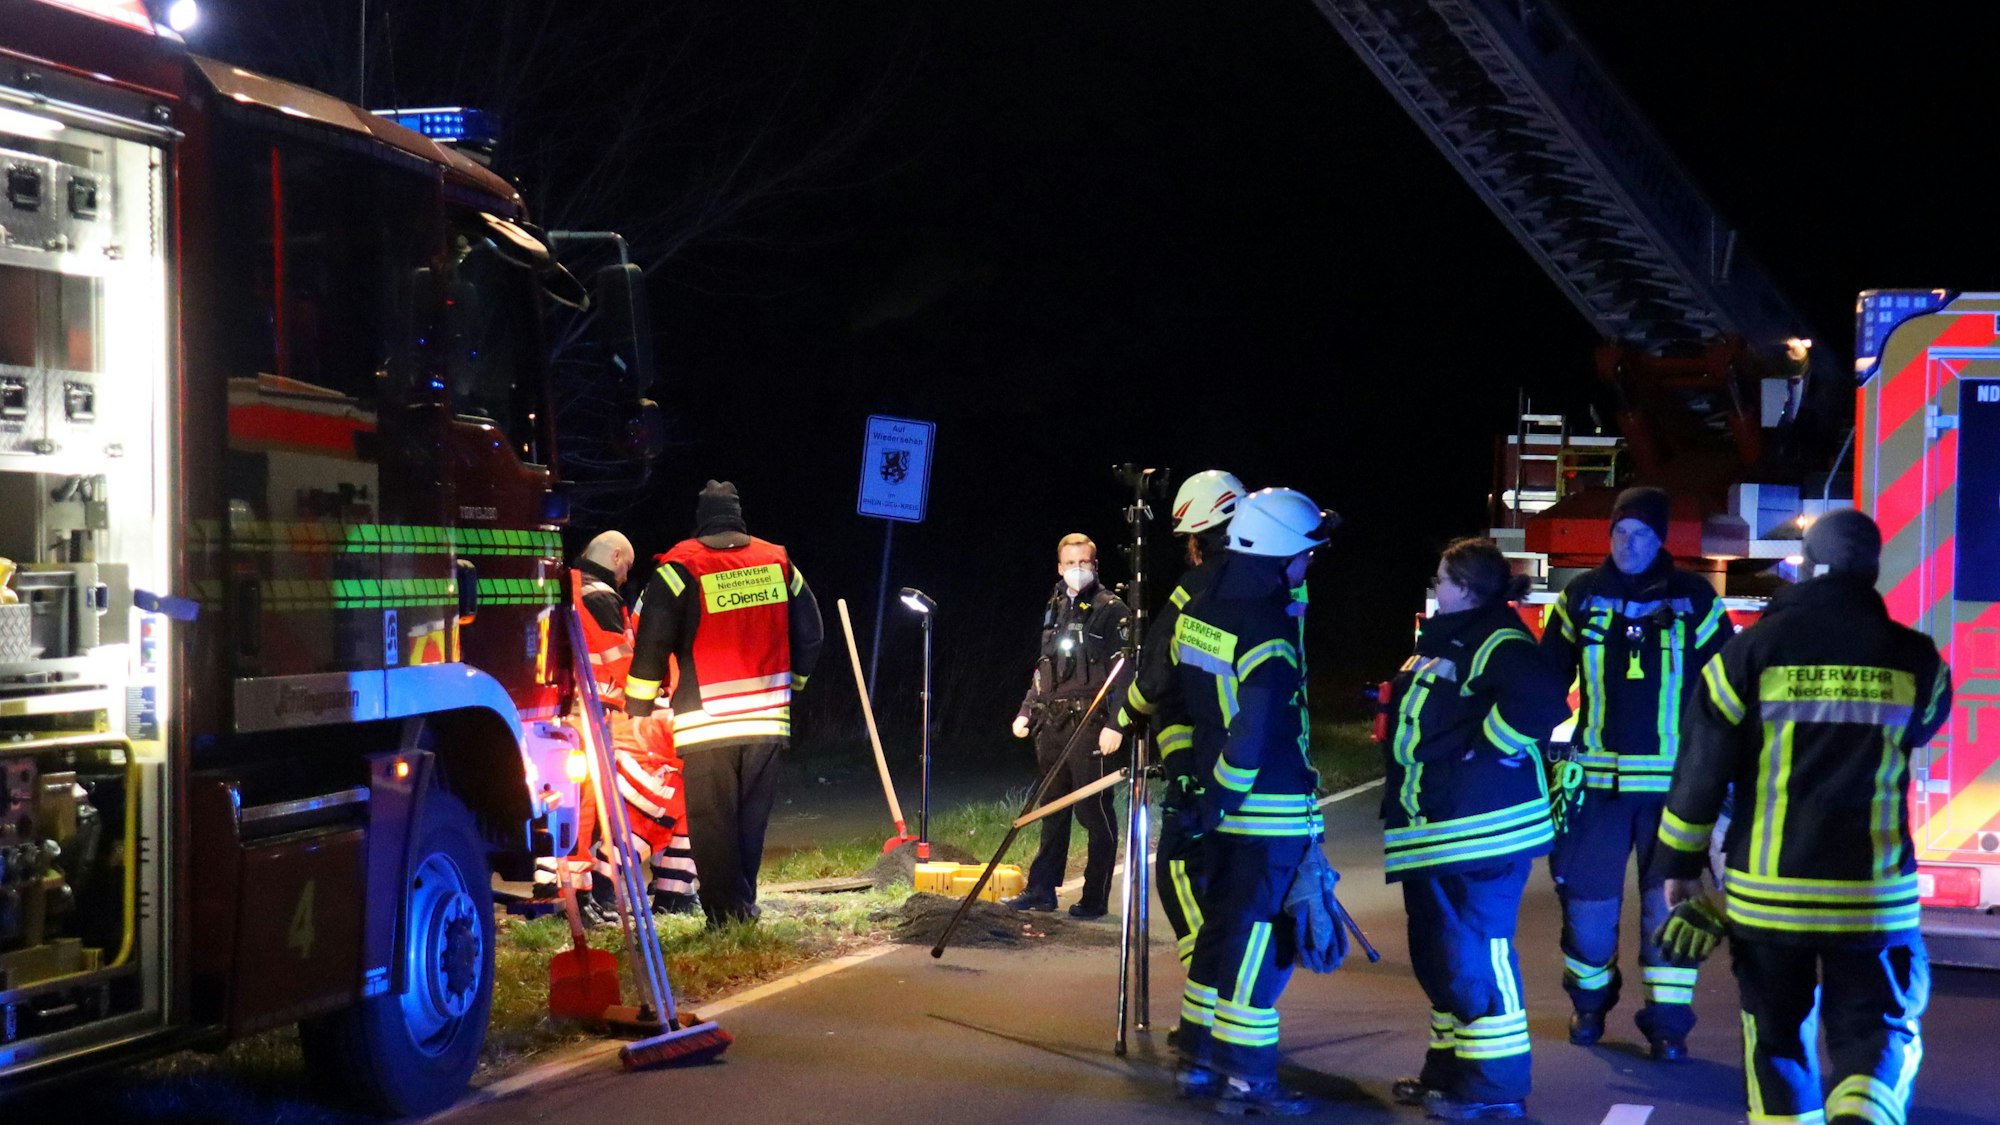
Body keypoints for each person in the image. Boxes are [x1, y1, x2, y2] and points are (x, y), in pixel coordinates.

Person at [1650, 509, 1951, 1125]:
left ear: (1805, 569)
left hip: (1768, 895)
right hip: (1872, 895)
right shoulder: (1918, 659)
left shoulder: (1748, 653)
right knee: (1879, 1030)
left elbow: (1701, 769)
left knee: (1776, 1036)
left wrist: (1680, 866)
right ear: (1871, 571)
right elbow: (1924, 726)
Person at [1539, 486, 1731, 1059]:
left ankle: (1668, 1027)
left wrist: (1724, 775)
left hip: (1674, 792)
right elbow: (1546, 685)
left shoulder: (1695, 599)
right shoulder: (1580, 598)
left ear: (1660, 538)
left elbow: (1725, 689)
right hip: (1595, 790)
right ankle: (1589, 1007)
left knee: (1667, 912)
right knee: (1587, 909)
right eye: (1619, 533)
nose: (1627, 543)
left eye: (1639, 534)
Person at [1382, 538, 1570, 1121]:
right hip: (1432, 830)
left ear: (1464, 585)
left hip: (1482, 833)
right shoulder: (1450, 636)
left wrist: (1489, 748)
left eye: (1442, 576)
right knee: (1439, 955)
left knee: (1477, 955)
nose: (1435, 585)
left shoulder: (1501, 640)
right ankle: (1450, 1071)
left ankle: (1496, 1088)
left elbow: (1541, 704)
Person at [1172, 487, 1328, 1116]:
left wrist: (1209, 802)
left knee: (1221, 930)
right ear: (1280, 554)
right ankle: (1249, 1079)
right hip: (1266, 809)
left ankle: (1198, 1061)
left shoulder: (1201, 604)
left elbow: (1186, 698)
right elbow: (1258, 726)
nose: (1310, 565)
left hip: (1218, 806)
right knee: (1262, 941)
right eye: (1306, 554)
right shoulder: (1270, 624)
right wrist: (1230, 797)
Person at [626, 481, 823, 927]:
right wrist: (793, 684)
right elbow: (811, 631)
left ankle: (724, 916)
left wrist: (638, 706)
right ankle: (743, 904)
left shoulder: (680, 567)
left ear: (702, 520)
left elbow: (652, 640)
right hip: (766, 719)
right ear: (739, 517)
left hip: (706, 720)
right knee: (750, 819)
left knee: (712, 823)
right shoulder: (777, 561)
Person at [1100, 469, 1246, 966]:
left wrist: (1121, 720)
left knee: (1178, 871)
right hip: (1258, 769)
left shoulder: (1195, 592)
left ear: (1198, 540)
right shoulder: (1270, 590)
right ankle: (1226, 993)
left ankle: (1210, 987)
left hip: (1212, 765)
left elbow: (1158, 674)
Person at [559, 530, 701, 916]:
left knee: (571, 811)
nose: (625, 578)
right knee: (664, 794)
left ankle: (581, 894)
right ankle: (590, 892)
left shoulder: (571, 586)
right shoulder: (599, 596)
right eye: (625, 569)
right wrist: (655, 695)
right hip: (600, 716)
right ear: (616, 555)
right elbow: (623, 663)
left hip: (585, 715)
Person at [1006, 533, 1132, 918]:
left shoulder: (1112, 610)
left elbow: (1126, 672)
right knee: (1052, 808)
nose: (1077, 570)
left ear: (1095, 566)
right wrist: (1027, 709)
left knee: (1093, 811)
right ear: (1059, 568)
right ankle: (1042, 890)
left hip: (1091, 723)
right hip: (1053, 723)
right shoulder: (1054, 606)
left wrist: (1117, 723)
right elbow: (1044, 666)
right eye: (1070, 563)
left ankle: (1094, 897)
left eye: (1084, 563)